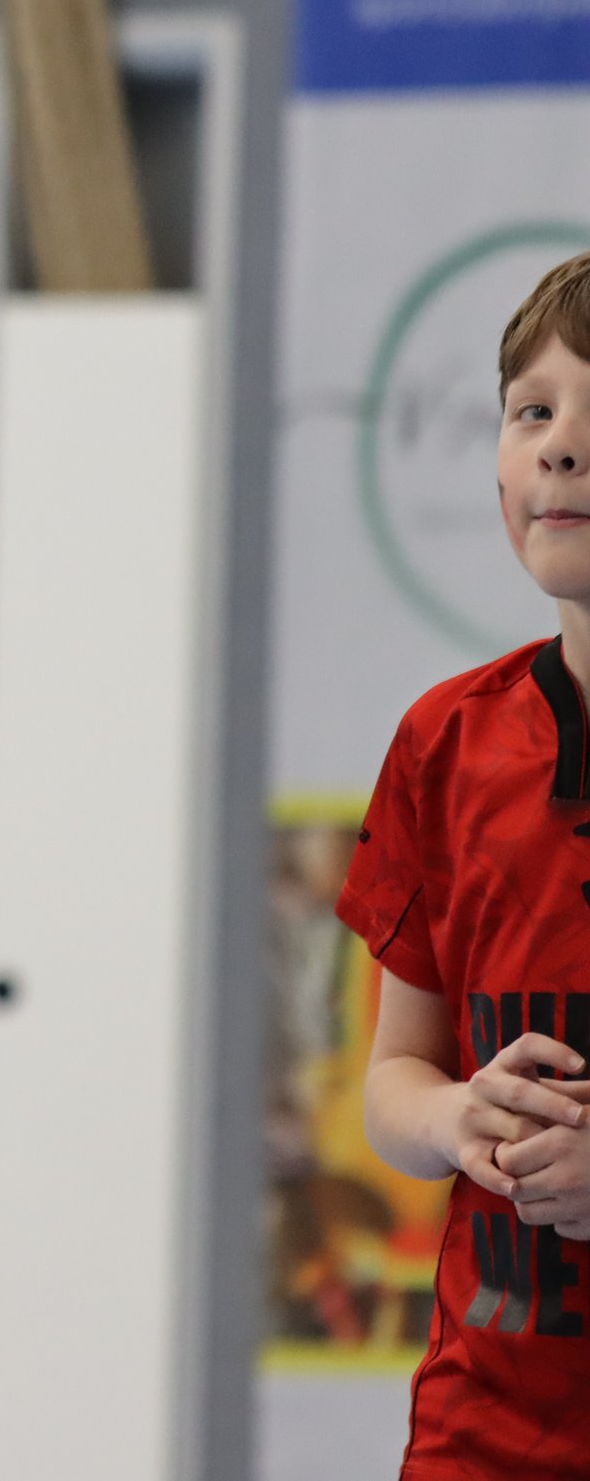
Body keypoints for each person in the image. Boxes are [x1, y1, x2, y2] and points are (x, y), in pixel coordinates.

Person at [341, 248, 590, 1478]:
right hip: (482, 1434)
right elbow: (393, 1079)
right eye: (530, 410)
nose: (561, 447)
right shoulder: (443, 742)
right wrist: (453, 1116)